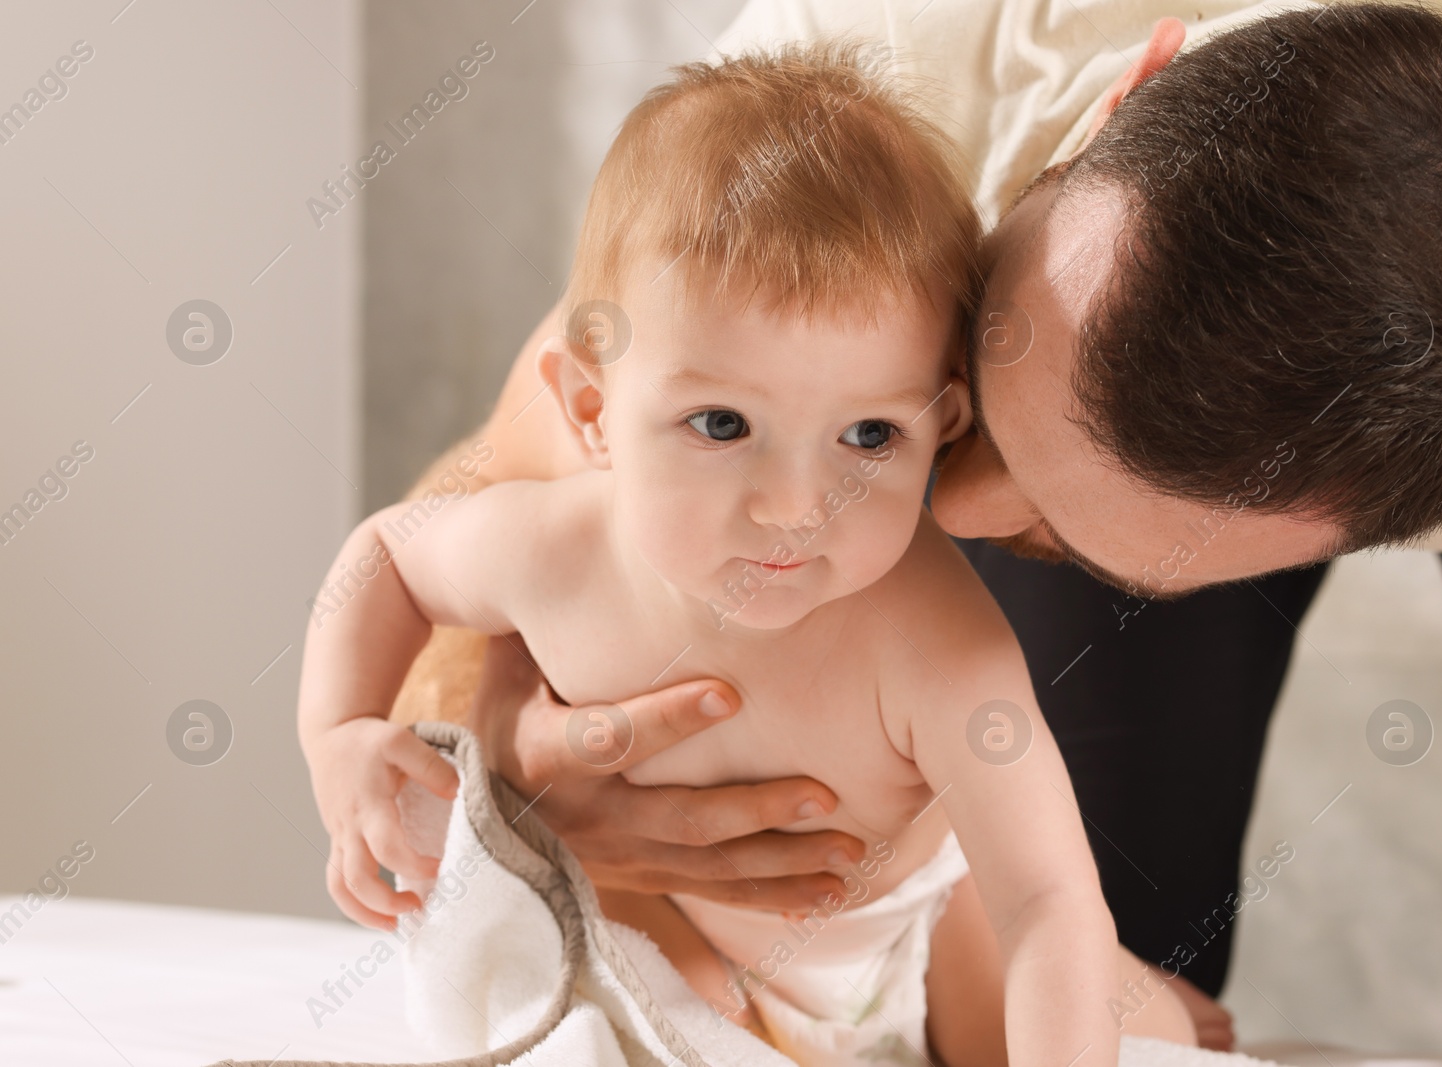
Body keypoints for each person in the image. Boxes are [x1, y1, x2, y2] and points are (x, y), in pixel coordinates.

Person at [388, 1, 1442, 1061]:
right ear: (1125, 88)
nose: (951, 515)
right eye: (977, 410)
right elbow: (499, 495)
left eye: (1065, 538)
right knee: (1110, 916)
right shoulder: (873, 61)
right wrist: (505, 756)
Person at [302, 45, 1202, 1066]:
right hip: (680, 924)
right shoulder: (553, 547)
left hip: (908, 919)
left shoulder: (936, 646)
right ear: (593, 410)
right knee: (635, 1014)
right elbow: (386, 553)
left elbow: (1045, 897)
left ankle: (1136, 991)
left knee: (1090, 1022)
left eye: (869, 437)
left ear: (942, 423)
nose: (794, 509)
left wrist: (1070, 980)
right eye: (722, 422)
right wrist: (338, 733)